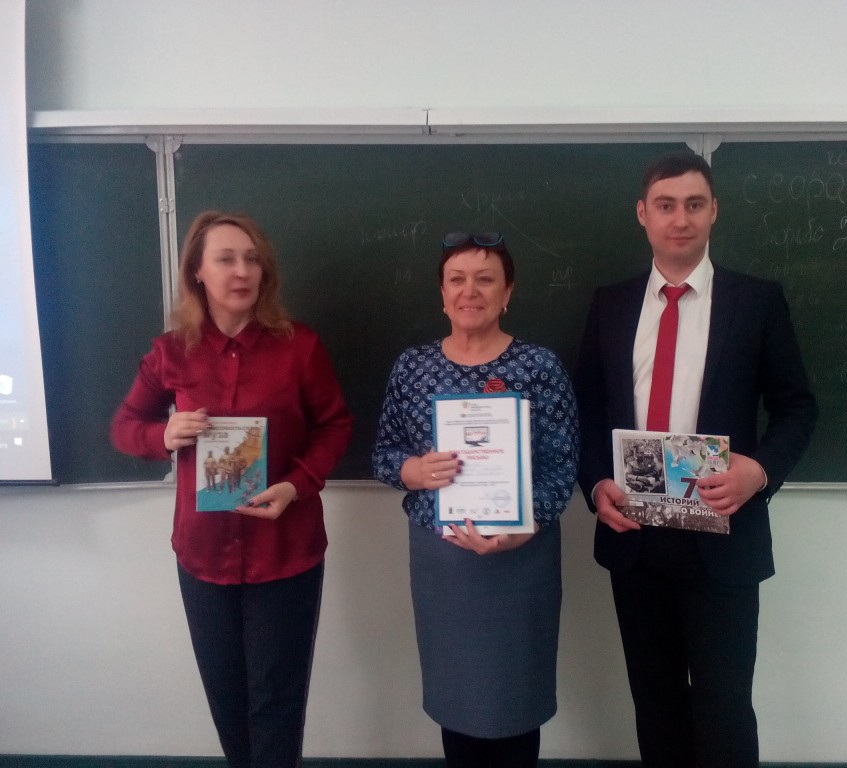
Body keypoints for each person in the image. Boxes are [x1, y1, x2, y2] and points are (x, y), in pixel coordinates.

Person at [574, 153, 818, 767]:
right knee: (655, 702)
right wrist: (596, 483)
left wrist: (759, 472)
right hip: (635, 535)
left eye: (693, 204)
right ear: (643, 214)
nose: (679, 219)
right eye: (666, 205)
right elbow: (587, 411)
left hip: (723, 534)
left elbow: (797, 407)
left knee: (724, 706)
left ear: (714, 212)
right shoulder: (611, 304)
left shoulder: (755, 301)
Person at [111, 210, 354, 768]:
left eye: (252, 260)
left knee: (276, 700)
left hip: (285, 553)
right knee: (226, 697)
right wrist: (162, 435)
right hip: (203, 556)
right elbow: (124, 427)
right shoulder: (171, 352)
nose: (242, 271)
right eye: (226, 259)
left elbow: (335, 426)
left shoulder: (300, 347)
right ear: (198, 271)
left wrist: (296, 485)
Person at [372, 231, 579, 768]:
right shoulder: (412, 367)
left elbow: (562, 465)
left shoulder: (539, 366)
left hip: (521, 559)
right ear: (442, 294)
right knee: (458, 701)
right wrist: (413, 470)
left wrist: (523, 527)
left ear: (507, 293)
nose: (471, 291)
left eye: (485, 279)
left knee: (517, 702)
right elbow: (384, 454)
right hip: (443, 565)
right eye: (457, 279)